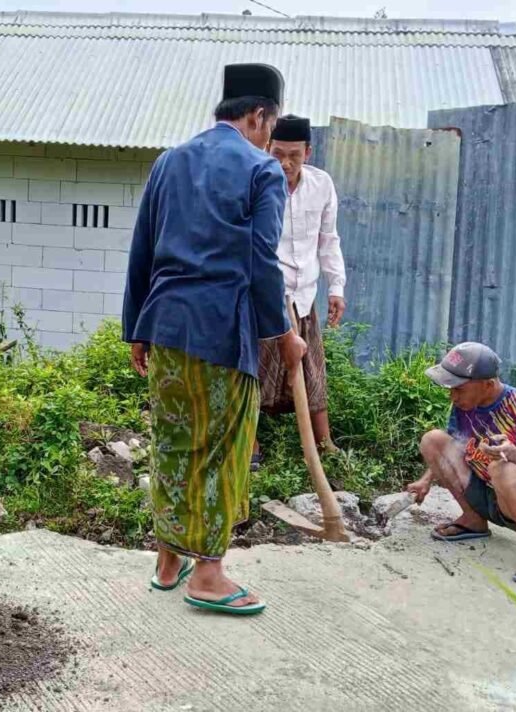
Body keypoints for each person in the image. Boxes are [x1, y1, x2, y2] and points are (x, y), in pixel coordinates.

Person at [123, 63, 307, 615]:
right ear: (258, 116)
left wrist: (137, 326)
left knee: (175, 443)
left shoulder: (168, 162)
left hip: (165, 326)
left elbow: (143, 248)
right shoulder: (262, 170)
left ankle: (168, 560)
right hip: (223, 333)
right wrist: (283, 334)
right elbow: (261, 264)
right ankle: (209, 575)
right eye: (270, 127)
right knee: (222, 452)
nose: (271, 139)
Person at [406, 342, 516, 585]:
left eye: (458, 389)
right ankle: (473, 520)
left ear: (488, 385)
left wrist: (514, 454)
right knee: (433, 440)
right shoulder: (466, 404)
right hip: (488, 494)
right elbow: (455, 444)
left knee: (502, 468)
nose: (452, 396)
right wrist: (425, 481)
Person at [253, 114, 346, 469]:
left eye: (293, 154)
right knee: (255, 372)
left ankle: (324, 445)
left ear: (308, 151)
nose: (285, 163)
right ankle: (251, 445)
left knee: (312, 370)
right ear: (267, 148)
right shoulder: (257, 182)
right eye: (277, 153)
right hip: (265, 297)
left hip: (304, 295)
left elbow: (328, 239)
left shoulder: (322, 185)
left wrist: (336, 287)